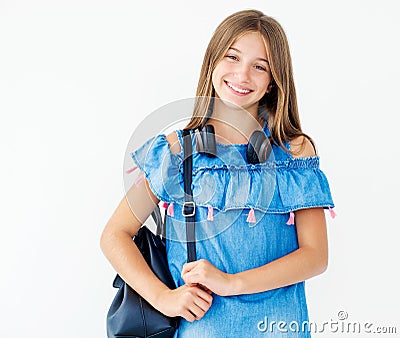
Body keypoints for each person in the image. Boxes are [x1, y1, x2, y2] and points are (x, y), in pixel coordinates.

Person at [100, 9, 335, 337]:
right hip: (203, 329)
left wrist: (231, 283)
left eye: (259, 66)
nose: (243, 75)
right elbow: (115, 235)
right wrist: (164, 299)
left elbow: (315, 256)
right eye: (232, 57)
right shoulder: (177, 152)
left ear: (272, 82)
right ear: (212, 62)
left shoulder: (293, 152)